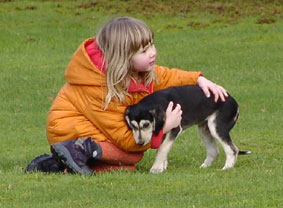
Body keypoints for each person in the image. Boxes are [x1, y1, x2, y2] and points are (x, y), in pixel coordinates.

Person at [26, 17, 228, 175]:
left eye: (152, 45)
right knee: (131, 155)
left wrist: (198, 79)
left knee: (125, 166)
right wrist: (164, 127)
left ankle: (57, 164)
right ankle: (77, 150)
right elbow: (125, 138)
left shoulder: (134, 72)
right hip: (68, 130)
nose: (152, 53)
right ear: (122, 57)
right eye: (143, 50)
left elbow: (166, 77)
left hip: (96, 130)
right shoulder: (100, 89)